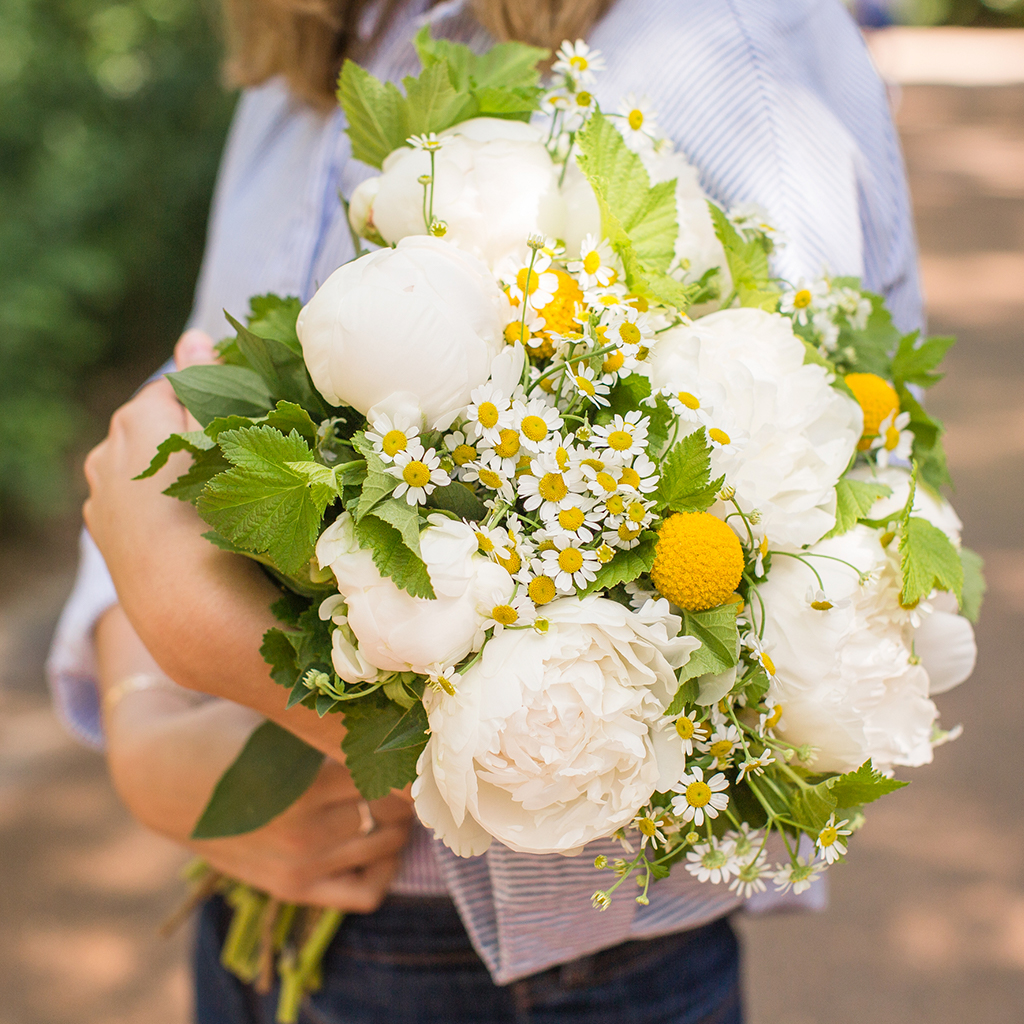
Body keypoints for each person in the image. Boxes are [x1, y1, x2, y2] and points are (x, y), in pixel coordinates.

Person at [49, 0, 924, 1021]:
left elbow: (724, 695)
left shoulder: (725, 50)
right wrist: (145, 715)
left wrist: (229, 656)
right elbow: (191, 392)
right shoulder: (322, 36)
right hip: (254, 912)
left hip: (520, 981)